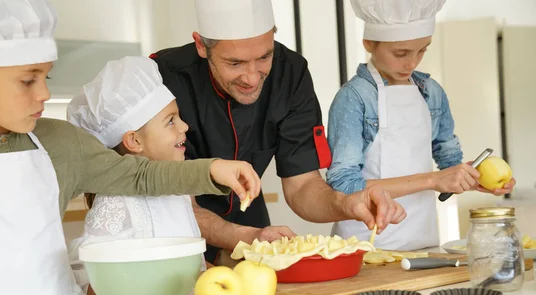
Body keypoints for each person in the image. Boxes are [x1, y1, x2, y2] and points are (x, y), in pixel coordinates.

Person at [0, 0, 261, 295]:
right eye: (27, 80)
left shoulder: (60, 142)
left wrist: (213, 169)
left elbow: (139, 177)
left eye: (45, 78)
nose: (44, 95)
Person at [151, 0, 406, 264]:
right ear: (202, 46)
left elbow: (303, 186)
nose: (251, 78)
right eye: (235, 63)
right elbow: (173, 201)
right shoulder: (162, 77)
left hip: (252, 226)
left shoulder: (290, 73)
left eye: (264, 57)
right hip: (175, 236)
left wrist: (346, 204)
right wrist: (245, 237)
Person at [327, 0, 516, 251]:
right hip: (363, 244)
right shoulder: (354, 98)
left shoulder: (431, 93)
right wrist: (434, 180)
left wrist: (473, 177)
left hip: (422, 240)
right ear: (369, 43)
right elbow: (344, 185)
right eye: (401, 53)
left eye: (422, 50)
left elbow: (449, 163)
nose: (412, 63)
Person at [66, 56, 209, 293]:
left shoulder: (178, 194)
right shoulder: (116, 203)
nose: (184, 126)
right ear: (134, 140)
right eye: (171, 121)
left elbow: (192, 269)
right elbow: (95, 287)